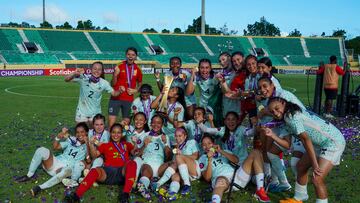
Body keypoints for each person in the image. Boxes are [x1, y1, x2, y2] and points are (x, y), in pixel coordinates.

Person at [267, 97, 346, 203]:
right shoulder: (286, 119)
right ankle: (300, 197)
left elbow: (306, 140)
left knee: (317, 178)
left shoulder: (291, 117)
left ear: (284, 103)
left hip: (333, 142)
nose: (276, 113)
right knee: (301, 166)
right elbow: (287, 145)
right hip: (320, 144)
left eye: (277, 108)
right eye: (272, 112)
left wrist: (315, 164)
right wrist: (272, 135)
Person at [64, 123, 137, 203]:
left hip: (122, 172)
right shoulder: (105, 145)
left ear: (122, 134)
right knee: (94, 171)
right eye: (113, 132)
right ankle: (76, 196)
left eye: (118, 132)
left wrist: (135, 143)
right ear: (110, 133)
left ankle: (125, 195)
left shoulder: (126, 144)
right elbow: (94, 155)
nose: (116, 135)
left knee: (132, 163)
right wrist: (91, 144)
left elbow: (135, 153)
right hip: (107, 173)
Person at [15, 123, 89, 197]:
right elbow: (55, 147)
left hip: (64, 170)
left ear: (86, 133)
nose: (80, 134)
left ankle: (40, 187)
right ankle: (28, 175)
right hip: (54, 163)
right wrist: (57, 138)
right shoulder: (71, 141)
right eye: (78, 132)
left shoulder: (88, 146)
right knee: (41, 150)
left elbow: (88, 161)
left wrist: (87, 144)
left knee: (67, 170)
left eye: (82, 132)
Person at [199, 134, 270, 203]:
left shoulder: (224, 151)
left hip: (237, 176)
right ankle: (215, 201)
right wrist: (209, 159)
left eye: (209, 143)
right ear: (202, 147)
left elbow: (236, 160)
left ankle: (260, 190)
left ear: (213, 143)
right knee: (221, 180)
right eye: (204, 145)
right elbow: (207, 178)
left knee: (255, 152)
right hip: (222, 180)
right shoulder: (202, 159)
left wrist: (221, 151)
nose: (207, 146)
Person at [65, 62, 120, 126]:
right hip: (81, 113)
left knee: (94, 134)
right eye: (95, 69)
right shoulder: (83, 78)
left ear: (102, 71)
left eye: (99, 69)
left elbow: (114, 94)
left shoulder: (104, 83)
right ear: (91, 69)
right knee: (81, 134)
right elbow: (66, 79)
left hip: (95, 114)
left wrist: (120, 91)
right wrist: (74, 73)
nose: (97, 71)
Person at [62, 114, 110, 187]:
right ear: (93, 125)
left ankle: (89, 179)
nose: (99, 127)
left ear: (104, 125)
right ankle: (73, 180)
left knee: (96, 163)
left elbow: (106, 147)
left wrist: (96, 142)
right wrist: (66, 132)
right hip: (88, 156)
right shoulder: (89, 132)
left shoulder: (107, 134)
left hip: (100, 157)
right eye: (96, 124)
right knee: (79, 164)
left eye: (101, 124)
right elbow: (77, 133)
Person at [153, 128, 201, 201]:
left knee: (178, 157)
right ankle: (172, 192)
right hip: (184, 172)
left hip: (194, 169)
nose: (177, 138)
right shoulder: (176, 147)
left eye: (180, 136)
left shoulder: (191, 142)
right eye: (176, 136)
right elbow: (174, 164)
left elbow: (196, 156)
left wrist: (182, 156)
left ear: (185, 136)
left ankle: (187, 185)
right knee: (175, 176)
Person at [136, 114, 172, 200]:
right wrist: (144, 145)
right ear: (150, 124)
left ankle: (158, 183)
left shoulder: (165, 136)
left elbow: (168, 157)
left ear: (162, 125)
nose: (156, 125)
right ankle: (143, 187)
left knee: (173, 163)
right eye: (154, 122)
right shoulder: (144, 135)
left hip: (160, 167)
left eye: (158, 123)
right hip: (147, 164)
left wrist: (166, 143)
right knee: (145, 169)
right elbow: (137, 155)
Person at [109, 47, 143, 128]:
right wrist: (115, 74)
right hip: (115, 98)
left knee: (126, 124)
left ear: (135, 57)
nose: (130, 56)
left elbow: (140, 83)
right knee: (111, 124)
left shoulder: (138, 69)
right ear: (126, 55)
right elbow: (112, 84)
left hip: (128, 99)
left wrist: (135, 90)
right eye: (128, 54)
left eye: (133, 55)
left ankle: (122, 138)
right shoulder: (119, 66)